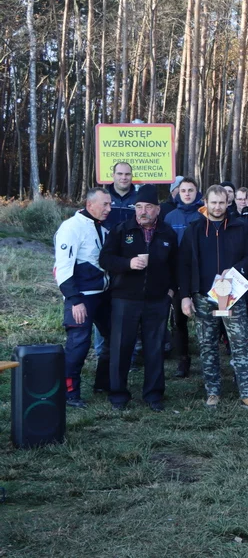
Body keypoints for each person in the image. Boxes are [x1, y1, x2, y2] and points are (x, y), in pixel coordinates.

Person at [178, 185, 248, 410]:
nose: (217, 207)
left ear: (229, 202)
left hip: (233, 296)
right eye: (213, 202)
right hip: (203, 297)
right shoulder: (194, 229)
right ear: (205, 202)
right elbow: (184, 265)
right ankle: (213, 392)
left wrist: (235, 270)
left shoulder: (242, 227)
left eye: (221, 202)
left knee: (240, 344)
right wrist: (185, 296)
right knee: (207, 345)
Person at [99, 184, 177, 411]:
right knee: (121, 347)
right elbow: (105, 259)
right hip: (125, 299)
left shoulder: (167, 234)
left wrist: (171, 290)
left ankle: (153, 395)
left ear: (158, 209)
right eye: (139, 206)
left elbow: (176, 264)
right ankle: (118, 396)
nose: (143, 211)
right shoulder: (122, 230)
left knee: (155, 349)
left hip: (156, 300)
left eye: (149, 207)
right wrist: (127, 264)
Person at [55, 187, 113, 408]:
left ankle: (103, 383)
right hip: (81, 298)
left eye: (109, 204)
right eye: (105, 204)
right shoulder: (71, 228)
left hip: (103, 296)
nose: (109, 208)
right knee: (78, 344)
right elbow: (62, 269)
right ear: (90, 205)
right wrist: (74, 299)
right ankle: (70, 393)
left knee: (113, 338)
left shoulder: (100, 226)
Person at [164, 177, 205, 378]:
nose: (187, 194)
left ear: (197, 192)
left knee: (206, 319)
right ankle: (183, 359)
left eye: (191, 190)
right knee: (178, 320)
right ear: (178, 193)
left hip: (202, 276)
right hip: (178, 276)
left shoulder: (204, 215)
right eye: (183, 191)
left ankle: (208, 357)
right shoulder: (171, 217)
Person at [107, 162, 139, 228]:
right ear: (113, 175)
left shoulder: (140, 198)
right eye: (120, 174)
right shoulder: (103, 197)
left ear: (132, 176)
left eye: (127, 174)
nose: (124, 177)